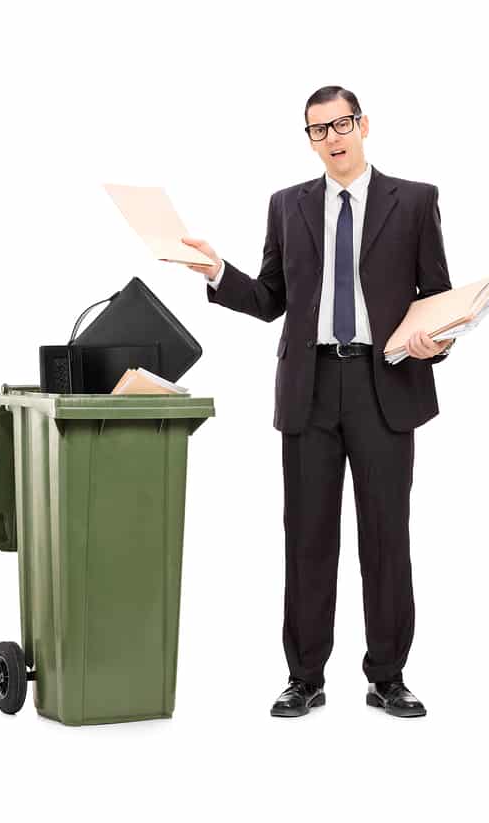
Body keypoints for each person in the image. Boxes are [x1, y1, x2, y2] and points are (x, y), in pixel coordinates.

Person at [181, 85, 455, 719]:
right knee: (306, 536)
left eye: (340, 124)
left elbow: (437, 297)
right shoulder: (287, 205)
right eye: (316, 130)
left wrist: (430, 344)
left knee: (386, 537)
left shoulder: (414, 201)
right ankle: (304, 676)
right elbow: (271, 297)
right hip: (308, 388)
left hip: (384, 383)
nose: (331, 138)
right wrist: (219, 273)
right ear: (308, 139)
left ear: (364, 125)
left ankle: (388, 676)